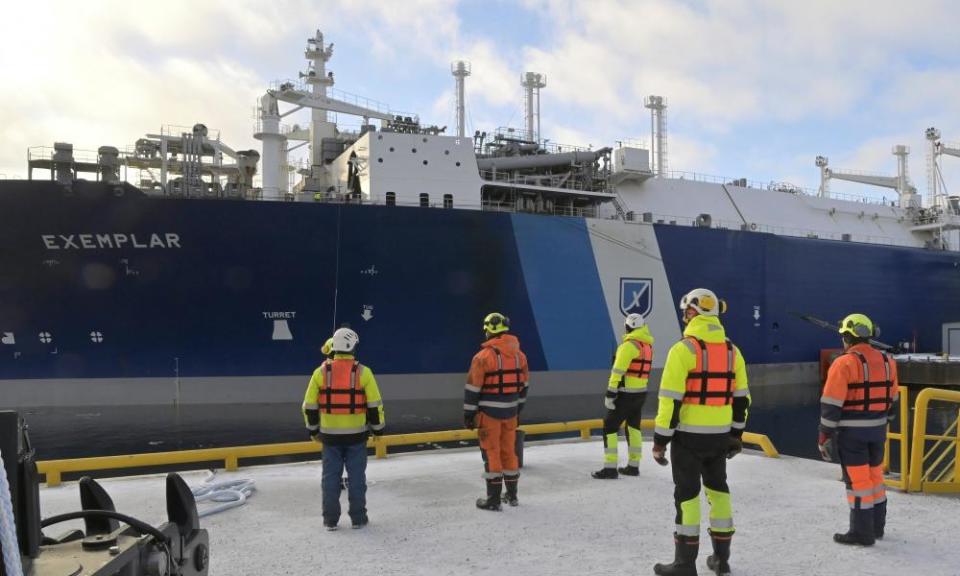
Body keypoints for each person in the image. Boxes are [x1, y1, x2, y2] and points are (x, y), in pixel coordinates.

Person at [652, 288, 750, 576]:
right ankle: (721, 560)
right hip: (720, 438)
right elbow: (742, 398)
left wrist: (660, 442)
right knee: (719, 491)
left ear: (694, 312)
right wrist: (736, 435)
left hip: (688, 439)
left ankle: (684, 564)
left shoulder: (683, 350)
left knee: (688, 496)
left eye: (686, 311)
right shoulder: (734, 351)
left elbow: (670, 400)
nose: (684, 317)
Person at [818, 313, 899, 546]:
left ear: (847, 337)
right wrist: (882, 421)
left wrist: (824, 434)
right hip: (877, 431)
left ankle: (861, 533)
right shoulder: (887, 362)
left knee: (858, 483)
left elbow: (831, 405)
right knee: (875, 478)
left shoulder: (843, 363)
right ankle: (877, 528)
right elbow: (892, 399)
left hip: (852, 436)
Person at [302, 328, 385, 530]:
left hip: (329, 439)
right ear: (352, 347)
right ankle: (358, 519)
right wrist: (378, 431)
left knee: (330, 479)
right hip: (357, 438)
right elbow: (375, 405)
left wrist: (313, 431)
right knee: (357, 479)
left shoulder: (319, 373)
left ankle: (330, 521)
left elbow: (309, 406)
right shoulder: (364, 372)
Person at [464, 312, 529, 511]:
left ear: (488, 330)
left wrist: (468, 415)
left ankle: (493, 500)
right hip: (511, 413)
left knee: (491, 453)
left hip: (489, 415)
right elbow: (524, 387)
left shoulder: (482, 357)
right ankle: (512, 495)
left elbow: (472, 389)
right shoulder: (520, 356)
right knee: (509, 453)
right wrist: (517, 410)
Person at [592, 312, 654, 479]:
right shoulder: (647, 346)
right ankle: (634, 466)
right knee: (633, 428)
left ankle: (610, 467)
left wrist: (610, 392)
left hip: (626, 395)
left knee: (609, 427)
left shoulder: (628, 346)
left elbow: (617, 371)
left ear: (628, 327)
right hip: (641, 393)